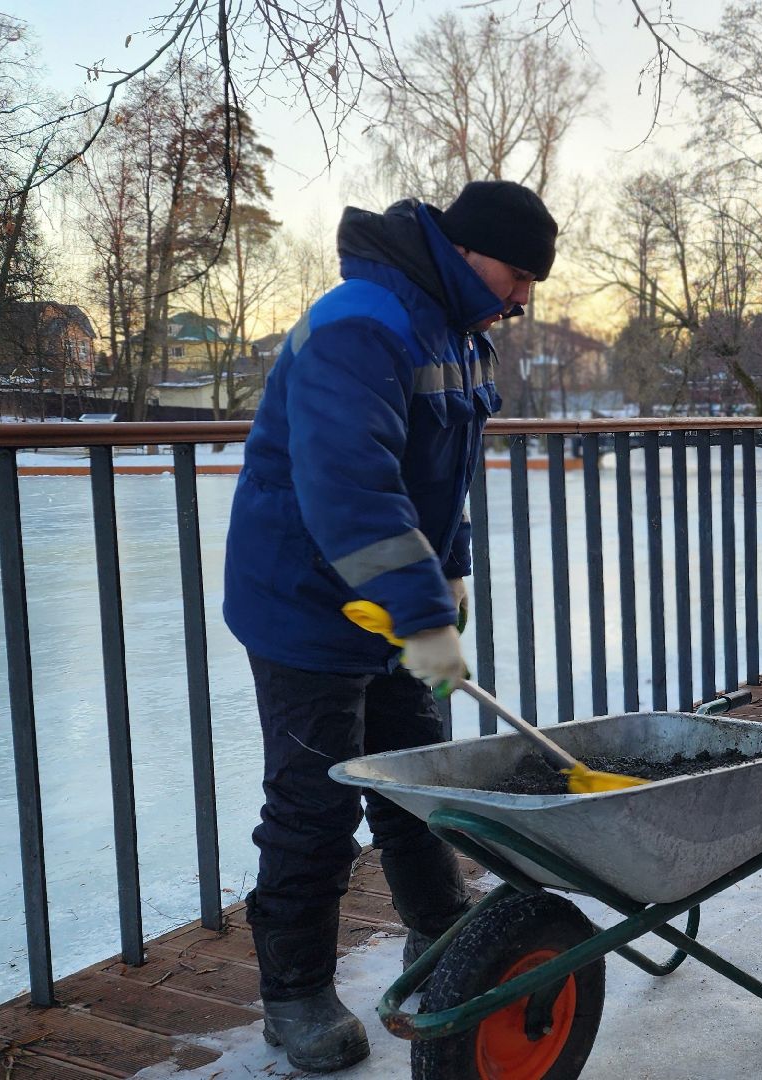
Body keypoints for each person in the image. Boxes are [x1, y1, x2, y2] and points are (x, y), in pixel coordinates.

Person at [221, 180, 556, 1072]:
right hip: (302, 597)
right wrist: (421, 613)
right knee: (315, 804)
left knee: (420, 780)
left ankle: (443, 944)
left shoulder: (461, 334)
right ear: (465, 249)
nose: (523, 297)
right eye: (517, 273)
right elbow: (352, 493)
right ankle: (294, 997)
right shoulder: (362, 324)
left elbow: (440, 482)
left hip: (391, 598)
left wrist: (449, 577)